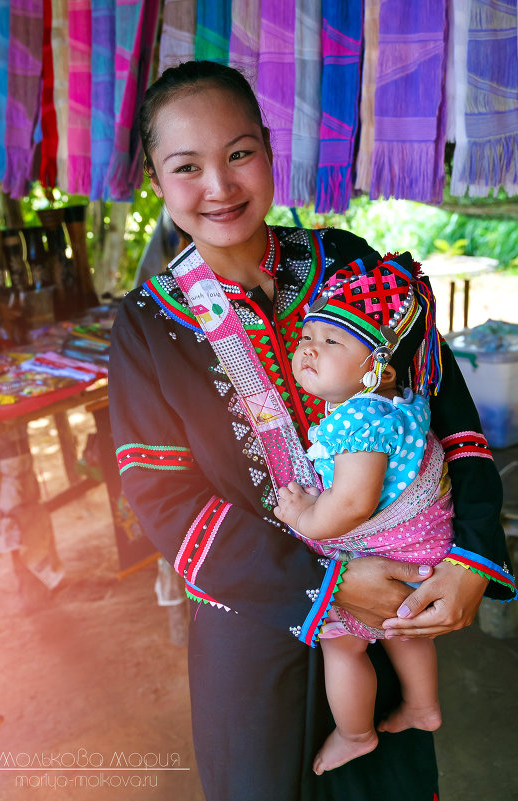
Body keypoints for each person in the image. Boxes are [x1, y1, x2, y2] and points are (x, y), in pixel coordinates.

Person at [108, 60, 516, 801]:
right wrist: (324, 587)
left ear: (268, 149)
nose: (220, 186)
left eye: (238, 154)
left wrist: (470, 556)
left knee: (389, 777)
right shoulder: (147, 326)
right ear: (156, 180)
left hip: (395, 595)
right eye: (186, 166)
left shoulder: (349, 265)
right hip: (252, 624)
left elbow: (449, 416)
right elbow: (166, 503)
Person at [273, 253, 454, 775]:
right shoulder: (396, 403)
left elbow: (351, 505)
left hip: (393, 547)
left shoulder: (359, 421)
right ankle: (422, 706)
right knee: (403, 628)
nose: (309, 349)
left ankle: (355, 734)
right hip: (420, 547)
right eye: (307, 338)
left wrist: (304, 517)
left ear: (377, 368)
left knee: (344, 644)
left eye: (333, 343)